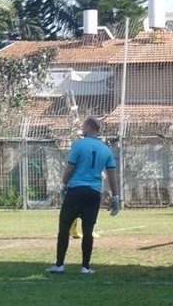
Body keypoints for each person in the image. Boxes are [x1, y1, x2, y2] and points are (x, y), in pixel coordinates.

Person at [47, 116, 119, 274]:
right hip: (93, 193)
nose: (82, 129)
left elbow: (70, 168)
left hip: (76, 190)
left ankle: (59, 265)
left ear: (88, 127)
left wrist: (63, 184)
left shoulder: (78, 145)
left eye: (84, 126)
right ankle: (85, 267)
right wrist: (116, 196)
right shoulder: (105, 149)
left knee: (64, 228)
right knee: (88, 230)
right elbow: (112, 175)